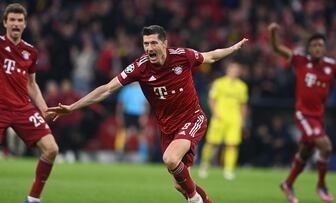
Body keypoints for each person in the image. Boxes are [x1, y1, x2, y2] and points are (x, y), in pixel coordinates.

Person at [48, 25, 248, 203]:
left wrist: (233, 49)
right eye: (146, 43)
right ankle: (199, 198)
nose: (149, 48)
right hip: (167, 128)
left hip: (192, 118)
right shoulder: (140, 67)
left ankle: (194, 199)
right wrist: (72, 107)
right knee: (181, 185)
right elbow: (108, 88)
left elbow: (211, 56)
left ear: (164, 43)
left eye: (153, 43)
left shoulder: (182, 56)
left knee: (170, 159)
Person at [268, 22, 336, 203]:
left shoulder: (332, 66)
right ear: (309, 49)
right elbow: (277, 49)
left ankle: (287, 184)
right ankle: (321, 185)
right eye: (314, 45)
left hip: (318, 116)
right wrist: (274, 33)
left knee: (305, 152)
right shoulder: (301, 61)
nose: (317, 48)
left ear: (324, 49)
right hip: (303, 114)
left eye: (320, 45)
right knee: (326, 146)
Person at [0, 3, 59, 203]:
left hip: (22, 108)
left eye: (19, 20)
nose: (15, 24)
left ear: (25, 24)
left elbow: (32, 84)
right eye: (12, 20)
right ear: (5, 23)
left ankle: (33, 199)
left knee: (51, 149)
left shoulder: (31, 52)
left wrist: (44, 108)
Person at [198, 62, 248, 180]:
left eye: (236, 70)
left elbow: (243, 105)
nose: (234, 72)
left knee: (232, 145)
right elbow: (212, 100)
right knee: (211, 143)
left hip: (234, 119)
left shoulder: (242, 86)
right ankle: (205, 165)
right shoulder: (219, 83)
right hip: (220, 118)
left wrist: (243, 119)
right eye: (232, 69)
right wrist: (215, 113)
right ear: (228, 70)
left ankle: (228, 169)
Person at [116, 82, 149, 162]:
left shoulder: (143, 89)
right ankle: (119, 154)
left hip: (139, 114)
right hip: (128, 113)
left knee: (141, 135)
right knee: (124, 133)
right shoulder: (126, 89)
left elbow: (146, 104)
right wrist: (119, 116)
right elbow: (120, 104)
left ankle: (144, 156)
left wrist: (144, 116)